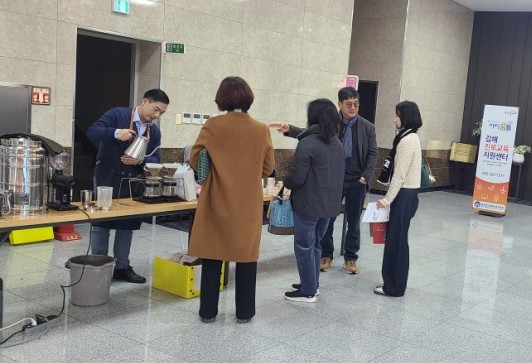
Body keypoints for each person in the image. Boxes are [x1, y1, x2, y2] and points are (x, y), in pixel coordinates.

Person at [188, 77, 274, 323]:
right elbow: (268, 168)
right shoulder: (261, 129)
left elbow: (195, 158)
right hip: (248, 202)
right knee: (247, 257)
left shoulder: (212, 126)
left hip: (216, 198)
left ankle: (208, 312)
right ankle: (245, 312)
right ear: (248, 98)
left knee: (212, 254)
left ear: (221, 98)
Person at [86, 88, 169, 283]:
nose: (157, 116)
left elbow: (156, 157)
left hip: (132, 180)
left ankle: (122, 267)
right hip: (107, 176)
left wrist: (141, 161)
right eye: (156, 109)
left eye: (162, 113)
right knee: (101, 223)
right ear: (144, 101)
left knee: (127, 225)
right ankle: (98, 266)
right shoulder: (117, 114)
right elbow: (92, 131)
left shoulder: (154, 131)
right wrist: (116, 132)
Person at [275, 99, 344, 303]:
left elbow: (297, 176)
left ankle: (307, 291)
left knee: (304, 245)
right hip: (329, 204)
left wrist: (285, 180)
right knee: (315, 244)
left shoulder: (308, 143)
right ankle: (312, 284)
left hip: (309, 203)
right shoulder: (336, 143)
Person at [318, 87, 377, 275]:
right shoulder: (330, 124)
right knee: (328, 219)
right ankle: (326, 254)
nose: (353, 108)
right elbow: (311, 135)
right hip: (333, 180)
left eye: (356, 104)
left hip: (357, 181)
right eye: (349, 104)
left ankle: (351, 258)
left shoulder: (367, 127)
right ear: (340, 104)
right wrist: (290, 130)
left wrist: (365, 177)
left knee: (354, 221)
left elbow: (372, 153)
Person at [375, 101, 423, 297]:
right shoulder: (411, 137)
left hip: (403, 196)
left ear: (406, 117)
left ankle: (393, 287)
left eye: (397, 115)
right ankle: (394, 284)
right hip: (407, 196)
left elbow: (400, 175)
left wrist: (387, 199)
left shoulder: (406, 140)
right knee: (398, 241)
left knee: (396, 242)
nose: (394, 119)